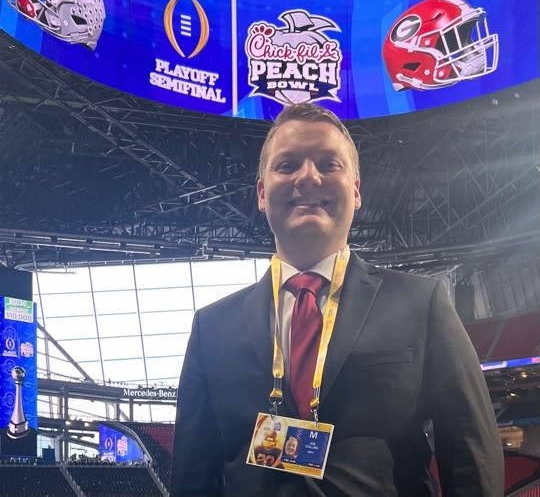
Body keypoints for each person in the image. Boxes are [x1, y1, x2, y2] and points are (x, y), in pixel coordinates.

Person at [170, 103, 504, 496]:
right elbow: (193, 475)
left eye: (329, 164)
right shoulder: (212, 328)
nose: (308, 177)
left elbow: (470, 451)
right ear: (261, 193)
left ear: (357, 191)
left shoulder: (421, 303)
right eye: (287, 165)